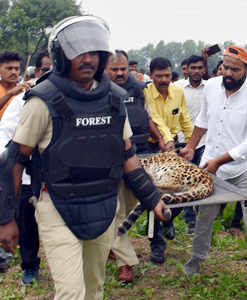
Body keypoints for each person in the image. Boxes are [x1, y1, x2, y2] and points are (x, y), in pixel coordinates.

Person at [0, 16, 168, 300]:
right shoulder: (43, 101)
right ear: (61, 56)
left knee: (94, 289)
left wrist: (154, 199)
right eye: (79, 52)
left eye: (94, 53)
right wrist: (6, 219)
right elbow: (14, 159)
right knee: (71, 293)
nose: (87, 59)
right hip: (56, 204)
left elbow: (127, 154)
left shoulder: (115, 99)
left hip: (103, 204)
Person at [181, 45, 247, 300]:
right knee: (205, 215)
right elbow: (203, 119)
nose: (228, 73)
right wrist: (191, 147)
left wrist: (220, 161)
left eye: (235, 69)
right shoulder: (212, 86)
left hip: (246, 168)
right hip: (214, 165)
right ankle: (197, 258)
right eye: (225, 67)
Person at [105, 50, 166, 282]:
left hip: (139, 156)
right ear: (105, 69)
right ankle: (126, 264)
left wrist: (161, 138)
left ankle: (113, 245)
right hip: (109, 160)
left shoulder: (139, 89)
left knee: (130, 210)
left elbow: (149, 117)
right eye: (115, 70)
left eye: (123, 69)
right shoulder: (95, 92)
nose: (120, 73)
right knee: (115, 212)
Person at [0, 50, 50, 284]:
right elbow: (5, 134)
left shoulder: (79, 96)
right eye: (46, 69)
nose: (51, 74)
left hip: (62, 176)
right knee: (27, 221)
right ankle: (30, 265)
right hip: (28, 173)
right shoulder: (24, 98)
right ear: (38, 72)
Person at [144, 56, 193, 264]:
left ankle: (169, 218)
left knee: (182, 191)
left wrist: (192, 145)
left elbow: (184, 118)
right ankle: (157, 246)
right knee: (155, 196)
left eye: (166, 75)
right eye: (159, 76)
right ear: (151, 75)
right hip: (153, 147)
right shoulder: (146, 93)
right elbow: (155, 119)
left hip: (174, 147)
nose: (163, 80)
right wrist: (165, 140)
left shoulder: (178, 91)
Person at [175, 54, 208, 234]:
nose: (196, 71)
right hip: (182, 142)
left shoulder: (210, 88)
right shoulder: (177, 87)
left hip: (204, 142)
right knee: (185, 182)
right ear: (186, 69)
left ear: (204, 69)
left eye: (199, 68)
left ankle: (202, 218)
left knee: (202, 181)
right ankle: (190, 222)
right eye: (193, 68)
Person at [0, 51, 31, 119]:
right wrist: (9, 94)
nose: (14, 72)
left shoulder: (25, 90)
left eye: (17, 69)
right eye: (9, 68)